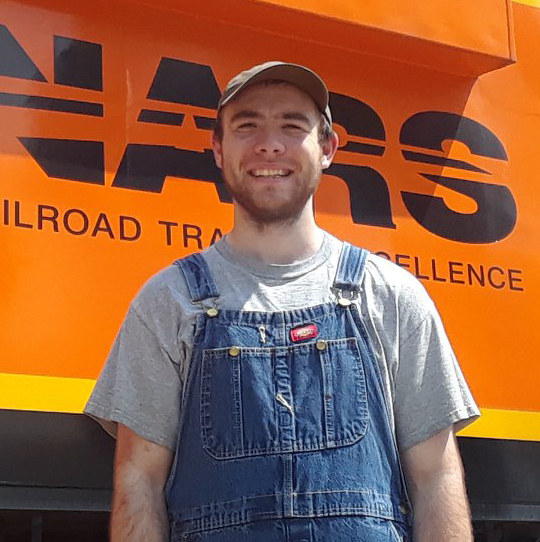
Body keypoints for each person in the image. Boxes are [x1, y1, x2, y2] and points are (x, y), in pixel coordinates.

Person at [85, 61, 480, 542]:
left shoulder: (391, 295)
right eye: (246, 125)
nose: (269, 144)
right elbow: (138, 480)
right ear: (217, 148)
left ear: (328, 148)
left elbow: (435, 477)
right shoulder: (168, 301)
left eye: (293, 126)